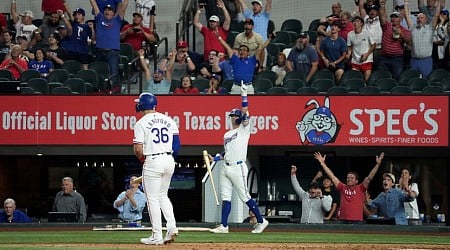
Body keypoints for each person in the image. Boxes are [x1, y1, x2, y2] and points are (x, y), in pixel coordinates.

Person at [209, 84, 269, 234]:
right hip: (226, 167)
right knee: (225, 197)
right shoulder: (227, 134)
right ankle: (224, 226)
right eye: (232, 116)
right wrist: (216, 158)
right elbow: (227, 151)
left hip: (238, 167)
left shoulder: (244, 129)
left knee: (244, 196)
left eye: (236, 115)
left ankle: (261, 221)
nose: (234, 117)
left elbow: (245, 111)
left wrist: (244, 95)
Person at [133, 92, 180, 245]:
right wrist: (170, 158)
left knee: (152, 199)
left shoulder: (140, 123)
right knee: (162, 195)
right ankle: (172, 227)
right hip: (168, 159)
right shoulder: (168, 119)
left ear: (142, 104)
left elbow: (138, 150)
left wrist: (145, 162)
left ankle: (156, 235)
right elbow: (177, 145)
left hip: (153, 159)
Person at [313, 151, 384, 224]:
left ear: (356, 181)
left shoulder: (360, 188)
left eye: (352, 178)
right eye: (348, 178)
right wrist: (322, 163)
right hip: (343, 220)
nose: (349, 179)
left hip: (357, 221)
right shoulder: (342, 187)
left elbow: (369, 178)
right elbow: (332, 177)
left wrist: (378, 164)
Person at [89, 0, 129, 94]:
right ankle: (98, 90)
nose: (107, 11)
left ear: (113, 12)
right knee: (96, 72)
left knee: (113, 72)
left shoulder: (117, 20)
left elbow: (124, 5)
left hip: (112, 52)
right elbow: (93, 4)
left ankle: (116, 92)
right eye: (106, 10)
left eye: (110, 10)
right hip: (99, 51)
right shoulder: (99, 18)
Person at [405, 0, 439, 78]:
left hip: (426, 60)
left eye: (421, 17)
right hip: (414, 60)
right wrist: (406, 3)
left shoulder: (430, 28)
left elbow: (436, 15)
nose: (419, 19)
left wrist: (439, 3)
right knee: (413, 80)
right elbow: (407, 16)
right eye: (418, 18)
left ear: (426, 20)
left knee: (426, 80)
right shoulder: (413, 28)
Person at [378, 0, 411, 80]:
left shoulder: (404, 30)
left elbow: (409, 42)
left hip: (397, 58)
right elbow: (382, 16)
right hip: (384, 57)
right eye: (392, 17)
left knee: (397, 77)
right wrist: (382, 6)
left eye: (396, 17)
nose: (393, 19)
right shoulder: (387, 26)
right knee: (382, 78)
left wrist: (401, 34)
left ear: (400, 19)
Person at [346, 15, 376, 82]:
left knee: (366, 80)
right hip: (355, 60)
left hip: (367, 59)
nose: (355, 23)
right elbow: (349, 46)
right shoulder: (350, 34)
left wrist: (367, 54)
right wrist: (349, 54)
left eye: (357, 21)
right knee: (355, 80)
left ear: (361, 23)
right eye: (353, 21)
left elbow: (373, 44)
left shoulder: (367, 33)